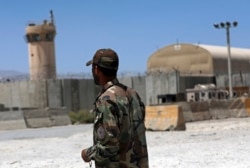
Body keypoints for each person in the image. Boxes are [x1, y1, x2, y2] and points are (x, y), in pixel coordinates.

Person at [81, 48, 149, 168]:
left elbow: (109, 146)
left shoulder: (107, 100)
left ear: (96, 69)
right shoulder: (132, 94)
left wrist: (87, 154)